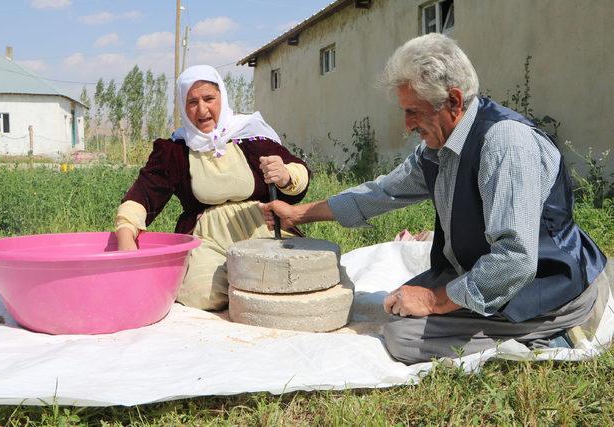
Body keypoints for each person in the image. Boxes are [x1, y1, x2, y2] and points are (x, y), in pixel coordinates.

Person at [261, 33, 610, 364]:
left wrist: (433, 298)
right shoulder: (438, 147)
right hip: (490, 273)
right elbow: (382, 192)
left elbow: (515, 261)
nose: (407, 125)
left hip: (545, 286)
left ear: (454, 101)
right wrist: (298, 213)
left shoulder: (505, 145)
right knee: (395, 304)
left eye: (413, 111)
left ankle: (554, 331)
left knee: (404, 335)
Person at [116, 65, 310, 311]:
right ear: (183, 108)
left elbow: (299, 174)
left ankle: (250, 285)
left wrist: (285, 175)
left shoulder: (251, 136)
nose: (202, 109)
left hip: (261, 227)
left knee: (285, 274)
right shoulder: (176, 150)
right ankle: (243, 286)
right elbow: (145, 193)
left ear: (222, 98)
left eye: (209, 99)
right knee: (201, 294)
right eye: (192, 102)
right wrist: (126, 233)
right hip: (207, 238)